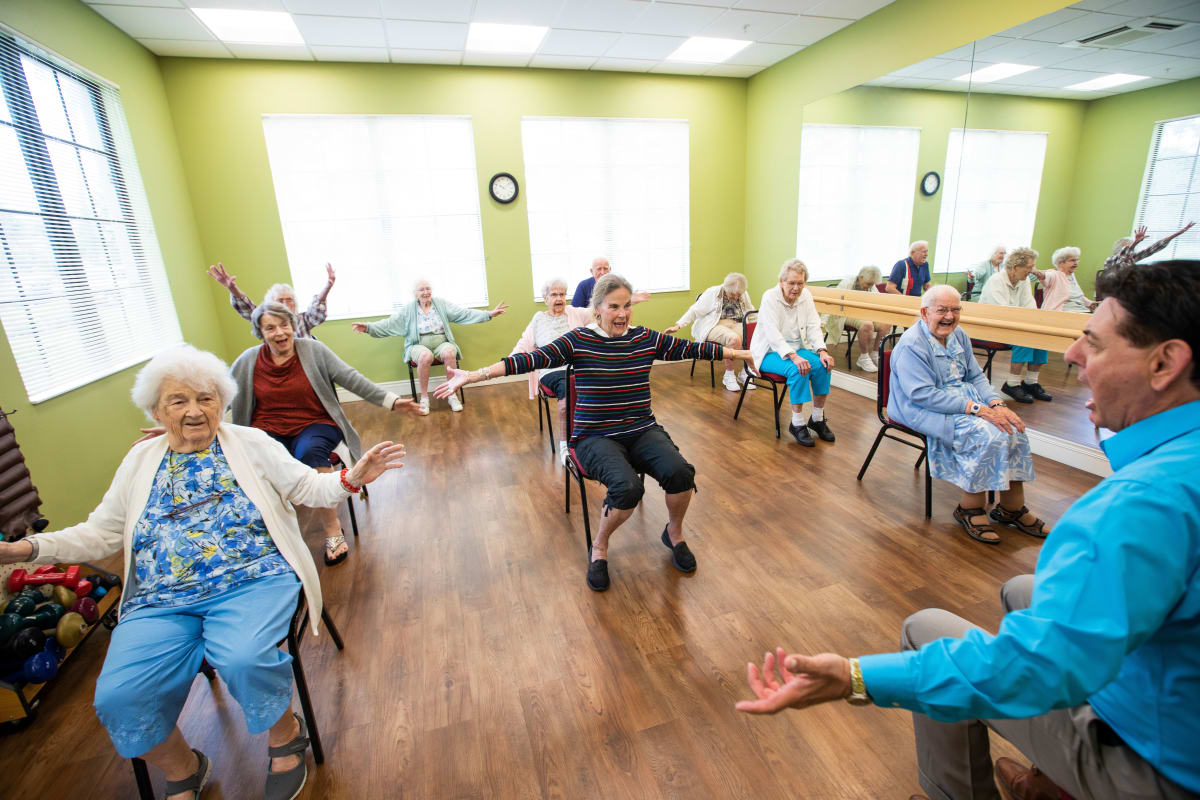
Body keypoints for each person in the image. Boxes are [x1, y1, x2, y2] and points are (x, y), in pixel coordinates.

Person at [734, 260, 1200, 800]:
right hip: (1175, 699)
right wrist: (982, 406)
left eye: (1093, 343)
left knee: (928, 627)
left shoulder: (1135, 507)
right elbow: (927, 396)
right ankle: (1046, 782)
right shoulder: (1169, 477)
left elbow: (1024, 670)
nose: (1071, 355)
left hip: (1164, 764)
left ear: (1166, 362)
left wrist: (854, 677)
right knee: (1022, 590)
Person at [0, 345, 406, 800]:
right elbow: (101, 533)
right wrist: (26, 548)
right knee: (118, 697)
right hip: (159, 599)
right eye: (179, 401)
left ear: (223, 402)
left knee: (243, 658)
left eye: (206, 398)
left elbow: (308, 486)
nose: (195, 411)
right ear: (155, 409)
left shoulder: (250, 443)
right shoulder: (140, 460)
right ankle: (183, 767)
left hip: (253, 579)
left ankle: (286, 735)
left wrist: (353, 477)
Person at [435, 273, 752, 593]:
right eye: (614, 306)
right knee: (627, 489)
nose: (623, 313)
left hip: (641, 428)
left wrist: (741, 355)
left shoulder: (644, 338)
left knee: (681, 474)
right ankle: (599, 548)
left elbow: (690, 348)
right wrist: (476, 375)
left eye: (627, 306)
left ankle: (674, 533)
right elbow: (530, 359)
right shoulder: (579, 340)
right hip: (593, 436)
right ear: (596, 308)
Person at [233, 302, 418, 565]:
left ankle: (332, 528)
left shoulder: (312, 350)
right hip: (267, 429)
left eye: (284, 325)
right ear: (260, 332)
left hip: (315, 423)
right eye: (270, 328)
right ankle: (270, 534)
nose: (279, 332)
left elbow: (350, 378)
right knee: (254, 458)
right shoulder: (248, 361)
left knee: (309, 451)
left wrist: (392, 401)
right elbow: (220, 396)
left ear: (293, 325)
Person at [888, 285, 1047, 544]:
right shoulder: (911, 345)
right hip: (922, 409)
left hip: (965, 400)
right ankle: (969, 508)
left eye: (955, 310)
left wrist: (996, 404)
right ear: (924, 312)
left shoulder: (958, 335)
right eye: (942, 310)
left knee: (1012, 428)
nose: (949, 316)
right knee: (987, 435)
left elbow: (975, 375)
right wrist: (977, 409)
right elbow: (922, 395)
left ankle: (1011, 508)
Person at [511, 278, 646, 465]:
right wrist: (509, 363)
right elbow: (523, 344)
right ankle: (565, 444)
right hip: (553, 370)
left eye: (562, 294)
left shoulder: (575, 313)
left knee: (607, 383)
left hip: (579, 366)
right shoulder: (538, 319)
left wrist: (628, 301)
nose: (559, 299)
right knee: (568, 391)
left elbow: (600, 310)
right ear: (545, 298)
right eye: (554, 295)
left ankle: (606, 434)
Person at [351, 279, 508, 415]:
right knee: (426, 356)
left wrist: (489, 314)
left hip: (441, 341)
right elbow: (389, 324)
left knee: (449, 351)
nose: (426, 292)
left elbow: (463, 313)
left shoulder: (441, 304)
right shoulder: (408, 310)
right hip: (417, 344)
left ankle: (452, 395)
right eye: (422, 289)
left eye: (428, 288)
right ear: (415, 293)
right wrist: (368, 327)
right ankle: (424, 398)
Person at [750, 259, 836, 448]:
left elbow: (814, 325)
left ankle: (817, 418)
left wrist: (822, 351)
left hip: (799, 348)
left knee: (824, 366)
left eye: (800, 283)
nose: (796, 288)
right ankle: (797, 423)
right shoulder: (770, 297)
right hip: (770, 352)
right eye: (791, 283)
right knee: (797, 369)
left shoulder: (806, 296)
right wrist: (794, 357)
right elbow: (772, 334)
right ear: (781, 281)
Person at [980, 247, 1053, 403]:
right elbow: (1001, 311)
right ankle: (1012, 384)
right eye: (1028, 268)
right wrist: (1023, 321)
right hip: (991, 327)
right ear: (1015, 268)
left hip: (1014, 323)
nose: (1031, 271)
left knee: (1041, 336)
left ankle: (1030, 382)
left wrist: (1032, 322)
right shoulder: (996, 281)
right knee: (1024, 336)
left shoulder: (1023, 280)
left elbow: (1030, 305)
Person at [664, 272, 756, 391]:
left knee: (755, 335)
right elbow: (695, 311)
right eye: (733, 295)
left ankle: (745, 373)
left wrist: (761, 326)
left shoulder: (743, 294)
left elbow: (751, 311)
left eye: (739, 295)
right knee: (734, 339)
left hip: (737, 323)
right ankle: (729, 375)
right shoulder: (713, 292)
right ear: (725, 287)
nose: (736, 297)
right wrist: (678, 325)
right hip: (714, 325)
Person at [207, 261, 335, 339]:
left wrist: (328, 286)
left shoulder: (302, 320)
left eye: (289, 300)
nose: (285, 304)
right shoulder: (264, 319)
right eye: (280, 300)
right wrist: (232, 288)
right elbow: (247, 308)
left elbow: (317, 311)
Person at [821, 265, 890, 374]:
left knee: (886, 324)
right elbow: (831, 300)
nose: (869, 287)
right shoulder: (847, 282)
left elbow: (878, 300)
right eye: (867, 284)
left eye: (871, 285)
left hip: (864, 314)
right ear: (860, 277)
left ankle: (875, 352)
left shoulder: (871, 286)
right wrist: (824, 320)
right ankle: (863, 357)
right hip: (844, 314)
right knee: (867, 325)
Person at [1103, 221, 1194, 272]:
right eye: (1130, 247)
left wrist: (1177, 234)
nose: (1133, 250)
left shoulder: (1133, 258)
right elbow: (1121, 260)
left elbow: (1153, 248)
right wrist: (1134, 244)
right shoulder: (1110, 260)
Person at [1040, 246, 1097, 313]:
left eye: (1077, 260)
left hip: (1081, 310)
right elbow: (1043, 276)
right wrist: (1034, 271)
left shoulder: (1071, 275)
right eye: (1072, 260)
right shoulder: (1054, 275)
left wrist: (1089, 303)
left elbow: (1076, 295)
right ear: (1060, 263)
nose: (1076, 263)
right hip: (1065, 312)